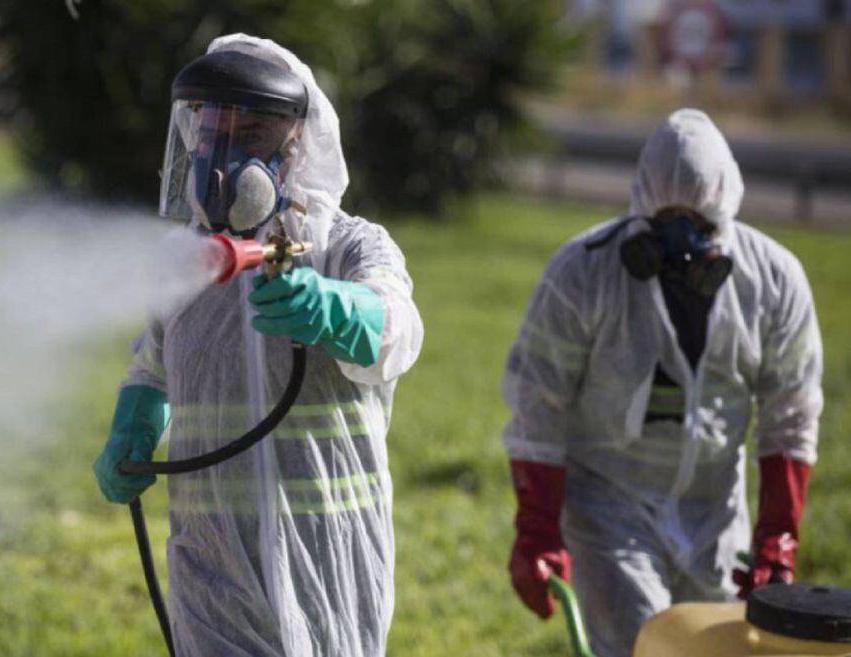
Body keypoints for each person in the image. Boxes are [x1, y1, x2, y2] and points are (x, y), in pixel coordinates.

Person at [92, 34, 424, 657]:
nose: (218, 153)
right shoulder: (185, 262)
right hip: (211, 555)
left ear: (296, 144)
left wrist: (334, 309)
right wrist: (133, 424)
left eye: (248, 135)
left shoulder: (348, 246)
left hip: (327, 550)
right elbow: (154, 364)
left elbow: (397, 330)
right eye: (207, 128)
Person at [501, 109, 822, 657]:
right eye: (666, 218)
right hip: (609, 503)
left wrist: (776, 539)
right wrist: (538, 530)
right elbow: (537, 404)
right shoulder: (583, 272)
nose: (680, 240)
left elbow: (790, 416)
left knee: (717, 649)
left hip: (715, 510)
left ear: (726, 215)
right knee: (641, 645)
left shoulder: (773, 280)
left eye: (698, 224)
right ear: (641, 208)